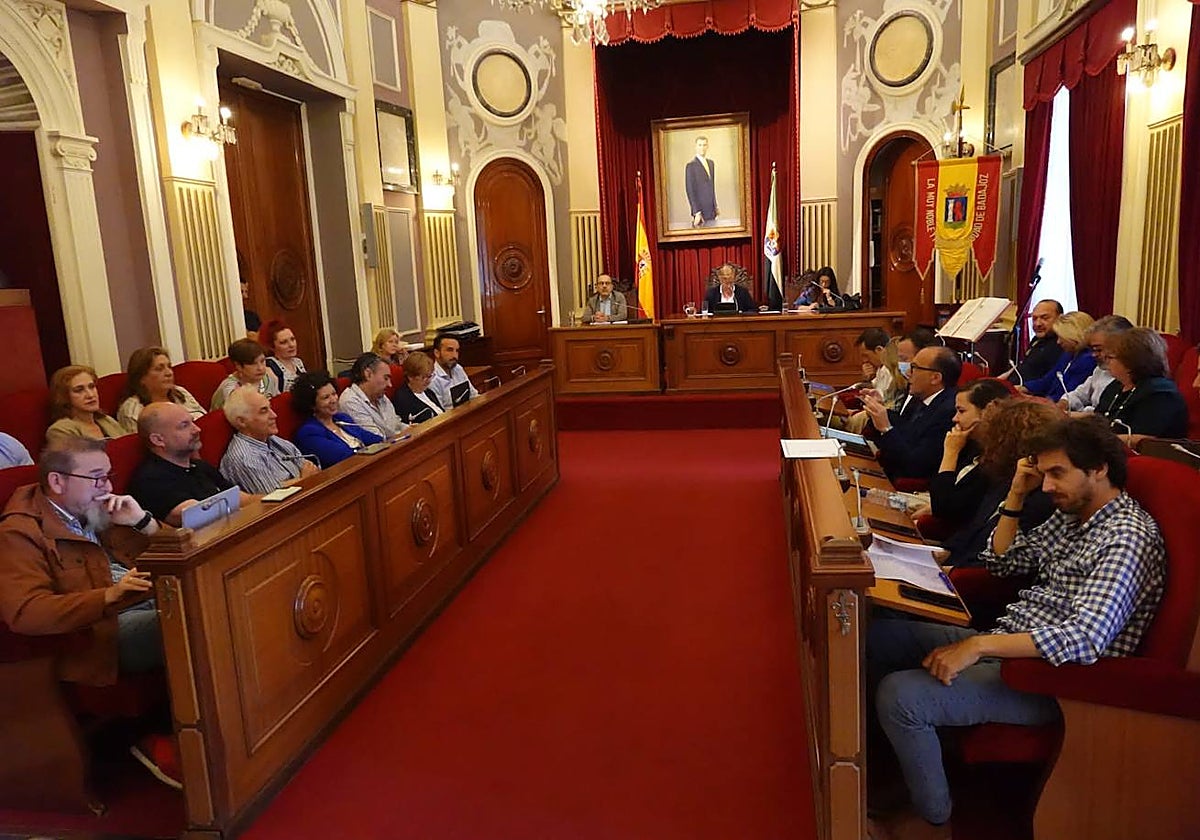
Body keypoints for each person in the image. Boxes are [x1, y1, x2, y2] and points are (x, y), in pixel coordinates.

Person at [868, 416, 1165, 837]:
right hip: (1010, 642)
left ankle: (934, 820)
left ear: (1099, 468)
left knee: (901, 696)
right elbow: (1004, 561)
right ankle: (901, 767)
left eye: (1057, 473)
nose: (1046, 486)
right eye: (1042, 474)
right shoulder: (1074, 514)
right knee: (878, 639)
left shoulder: (1125, 537)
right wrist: (1015, 493)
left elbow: (1085, 638)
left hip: (1057, 681)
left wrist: (979, 647)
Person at [0, 437, 162, 685]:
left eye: (108, 476)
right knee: (191, 623)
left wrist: (143, 522)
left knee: (217, 599)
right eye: (96, 478)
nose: (107, 486)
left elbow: (180, 552)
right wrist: (109, 595)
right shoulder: (19, 532)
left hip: (150, 597)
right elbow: (26, 612)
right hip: (102, 631)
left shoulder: (102, 509)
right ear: (57, 481)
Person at [934, 398, 1059, 568]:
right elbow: (972, 531)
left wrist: (950, 571)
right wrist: (942, 552)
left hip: (968, 583)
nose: (986, 444)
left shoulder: (1041, 498)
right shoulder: (1003, 478)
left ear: (1008, 442)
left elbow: (998, 563)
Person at [128, 402, 244, 527]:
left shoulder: (200, 466)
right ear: (158, 440)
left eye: (192, 422)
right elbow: (197, 515)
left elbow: (241, 498)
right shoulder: (150, 480)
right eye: (184, 426)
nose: (197, 429)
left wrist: (266, 502)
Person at [921, 378, 1013, 530]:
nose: (955, 418)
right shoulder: (972, 445)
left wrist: (950, 453)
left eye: (961, 411)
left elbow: (944, 509)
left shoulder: (999, 461)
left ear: (988, 412)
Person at [862, 346, 960, 482]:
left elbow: (914, 466)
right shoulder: (919, 397)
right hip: (887, 470)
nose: (908, 372)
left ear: (935, 378)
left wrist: (886, 428)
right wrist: (878, 409)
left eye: (914, 367)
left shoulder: (950, 412)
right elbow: (900, 431)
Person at [219, 387, 318, 493]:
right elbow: (273, 498)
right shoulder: (244, 457)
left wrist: (297, 480)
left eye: (270, 408)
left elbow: (310, 468)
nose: (274, 415)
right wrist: (304, 479)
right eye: (264, 411)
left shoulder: (271, 439)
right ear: (242, 422)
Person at [1096, 327, 1189, 439]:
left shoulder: (1161, 395)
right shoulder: (1116, 386)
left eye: (1109, 357)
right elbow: (1098, 418)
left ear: (1131, 361)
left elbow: (1145, 439)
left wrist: (1097, 441)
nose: (1106, 362)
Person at [292, 371, 383, 467]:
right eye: (326, 397)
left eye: (334, 394)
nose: (334, 400)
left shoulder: (342, 418)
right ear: (312, 405)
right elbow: (343, 457)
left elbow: (374, 439)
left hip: (366, 466)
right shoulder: (309, 433)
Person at [115, 347, 206, 434]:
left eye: (169, 367)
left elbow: (205, 418)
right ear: (141, 378)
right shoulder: (132, 410)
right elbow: (138, 447)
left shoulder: (180, 392)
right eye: (159, 369)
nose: (169, 373)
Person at [1060, 315, 1134, 413]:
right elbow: (1080, 394)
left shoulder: (1128, 377)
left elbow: (1109, 413)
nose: (1094, 355)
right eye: (1092, 350)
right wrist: (1064, 403)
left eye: (1099, 349)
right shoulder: (1100, 369)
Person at [1019, 310, 1095, 401]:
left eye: (1061, 337)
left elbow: (1068, 393)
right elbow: (1048, 380)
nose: (1058, 342)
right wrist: (1022, 388)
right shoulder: (1068, 354)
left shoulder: (1088, 360)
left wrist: (1034, 400)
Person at [45, 365, 126, 441]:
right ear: (64, 397)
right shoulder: (60, 430)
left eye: (92, 387)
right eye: (79, 390)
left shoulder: (107, 420)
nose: (90, 395)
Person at [338, 352, 406, 439]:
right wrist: (402, 434)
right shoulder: (350, 401)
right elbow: (376, 438)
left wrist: (412, 429)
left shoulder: (380, 395)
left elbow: (396, 425)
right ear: (368, 374)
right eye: (385, 378)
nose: (390, 385)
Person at [211, 338, 279, 411]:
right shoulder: (230, 389)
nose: (261, 368)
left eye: (262, 361)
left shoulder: (269, 377)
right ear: (238, 366)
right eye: (253, 364)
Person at [1008, 299, 1063, 385]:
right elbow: (1023, 366)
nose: (1037, 324)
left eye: (1044, 318)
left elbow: (1048, 382)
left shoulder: (1062, 344)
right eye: (1034, 318)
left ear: (1060, 318)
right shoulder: (1037, 339)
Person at [392, 352, 445, 424]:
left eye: (430, 376)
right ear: (410, 377)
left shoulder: (428, 392)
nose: (428, 381)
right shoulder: (403, 399)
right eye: (424, 377)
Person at [429, 336, 479, 410]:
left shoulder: (458, 369)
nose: (455, 355)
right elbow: (439, 413)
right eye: (450, 350)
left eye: (457, 351)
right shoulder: (432, 379)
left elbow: (473, 395)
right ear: (437, 353)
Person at [260, 319, 307, 394]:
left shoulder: (298, 362)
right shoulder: (269, 367)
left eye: (292, 339)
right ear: (272, 346)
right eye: (283, 342)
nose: (291, 345)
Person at [685, 135, 718, 227]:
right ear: (696, 147)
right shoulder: (691, 166)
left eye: (704, 145)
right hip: (700, 211)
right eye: (700, 145)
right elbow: (690, 190)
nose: (702, 148)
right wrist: (696, 212)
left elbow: (711, 187)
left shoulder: (711, 164)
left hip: (711, 210)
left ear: (707, 146)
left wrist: (715, 205)